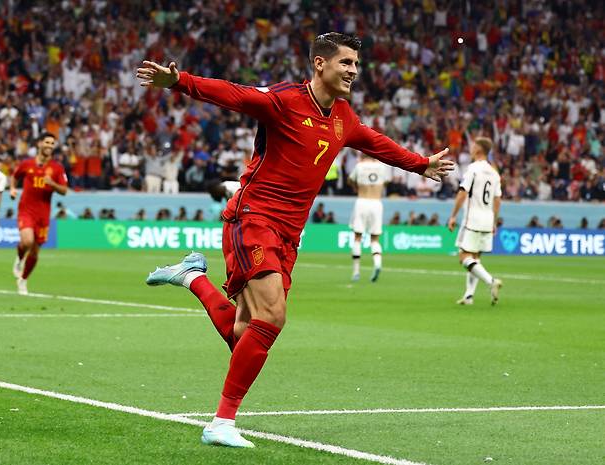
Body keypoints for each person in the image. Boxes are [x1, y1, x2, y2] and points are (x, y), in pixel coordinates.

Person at [138, 32, 453, 448]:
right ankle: (221, 422)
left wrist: (419, 165)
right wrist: (178, 83)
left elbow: (375, 143)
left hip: (289, 234)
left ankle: (192, 278)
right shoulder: (284, 101)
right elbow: (233, 94)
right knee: (272, 316)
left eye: (357, 65)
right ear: (320, 64)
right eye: (346, 63)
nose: (354, 71)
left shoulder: (343, 117)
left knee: (244, 334)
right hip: (252, 218)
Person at [10, 132, 68, 295]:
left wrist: (53, 184)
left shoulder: (57, 168)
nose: (49, 146)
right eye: (47, 142)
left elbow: (64, 191)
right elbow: (14, 177)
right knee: (27, 241)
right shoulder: (27, 164)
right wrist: (13, 188)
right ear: (39, 144)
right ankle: (19, 259)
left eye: (52, 143)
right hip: (26, 210)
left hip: (43, 214)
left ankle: (23, 280)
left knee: (35, 250)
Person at [448, 137, 502, 306]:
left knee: (463, 256)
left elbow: (463, 193)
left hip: (472, 218)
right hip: (487, 218)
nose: (470, 148)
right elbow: (497, 199)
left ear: (479, 149)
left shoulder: (473, 169)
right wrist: (494, 221)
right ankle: (469, 296)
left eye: (473, 146)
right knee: (475, 257)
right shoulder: (494, 172)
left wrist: (453, 216)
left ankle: (490, 280)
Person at [347, 154, 389, 282]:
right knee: (375, 239)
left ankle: (356, 271)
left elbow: (350, 179)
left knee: (357, 237)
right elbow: (386, 182)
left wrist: (356, 187)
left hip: (362, 201)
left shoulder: (360, 166)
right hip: (376, 202)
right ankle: (377, 263)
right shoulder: (381, 167)